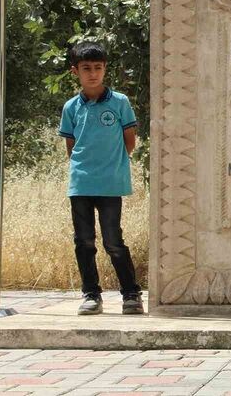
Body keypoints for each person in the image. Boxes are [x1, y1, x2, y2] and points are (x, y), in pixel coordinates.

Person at [58, 42, 143, 315]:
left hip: (110, 184)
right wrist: (84, 168)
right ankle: (91, 295)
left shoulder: (120, 102)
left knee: (113, 241)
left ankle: (131, 294)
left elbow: (129, 141)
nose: (92, 74)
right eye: (86, 69)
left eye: (97, 68)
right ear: (76, 72)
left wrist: (113, 166)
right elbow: (71, 146)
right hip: (81, 184)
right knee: (84, 241)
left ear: (105, 69)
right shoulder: (71, 107)